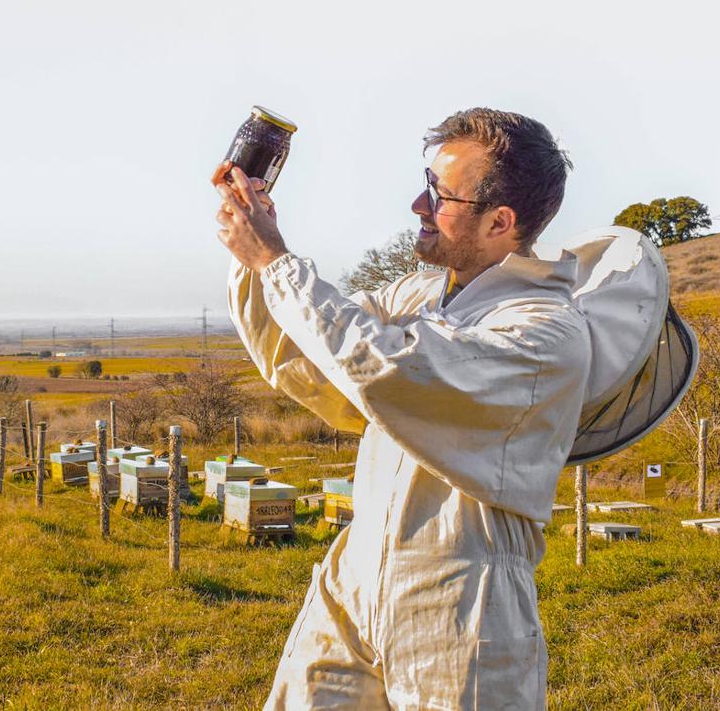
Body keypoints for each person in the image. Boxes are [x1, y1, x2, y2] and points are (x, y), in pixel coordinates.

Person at [213, 107, 589, 710]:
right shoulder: (416, 294)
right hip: (356, 573)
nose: (418, 203)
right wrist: (250, 250)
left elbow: (389, 367)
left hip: (464, 596)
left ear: (501, 221)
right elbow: (306, 355)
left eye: (439, 194)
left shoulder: (543, 331)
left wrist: (276, 262)